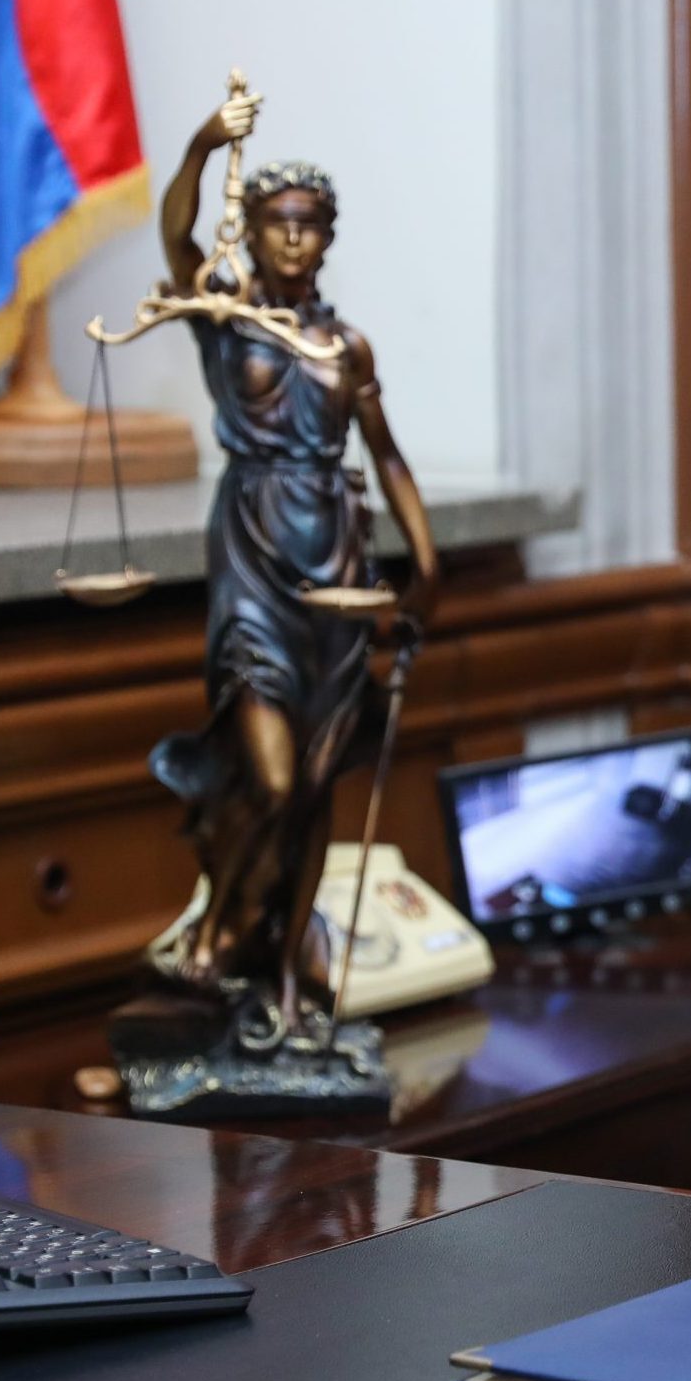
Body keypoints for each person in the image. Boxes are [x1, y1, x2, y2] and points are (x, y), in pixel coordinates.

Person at [145, 88, 439, 1035]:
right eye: (277, 223)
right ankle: (225, 928)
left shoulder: (344, 345)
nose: (293, 240)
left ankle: (279, 972)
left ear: (327, 238)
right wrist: (204, 143)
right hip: (252, 551)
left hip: (337, 565)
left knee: (314, 785)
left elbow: (387, 458)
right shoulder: (228, 319)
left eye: (309, 225)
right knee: (269, 775)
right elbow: (177, 237)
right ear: (258, 228)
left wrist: (425, 564)